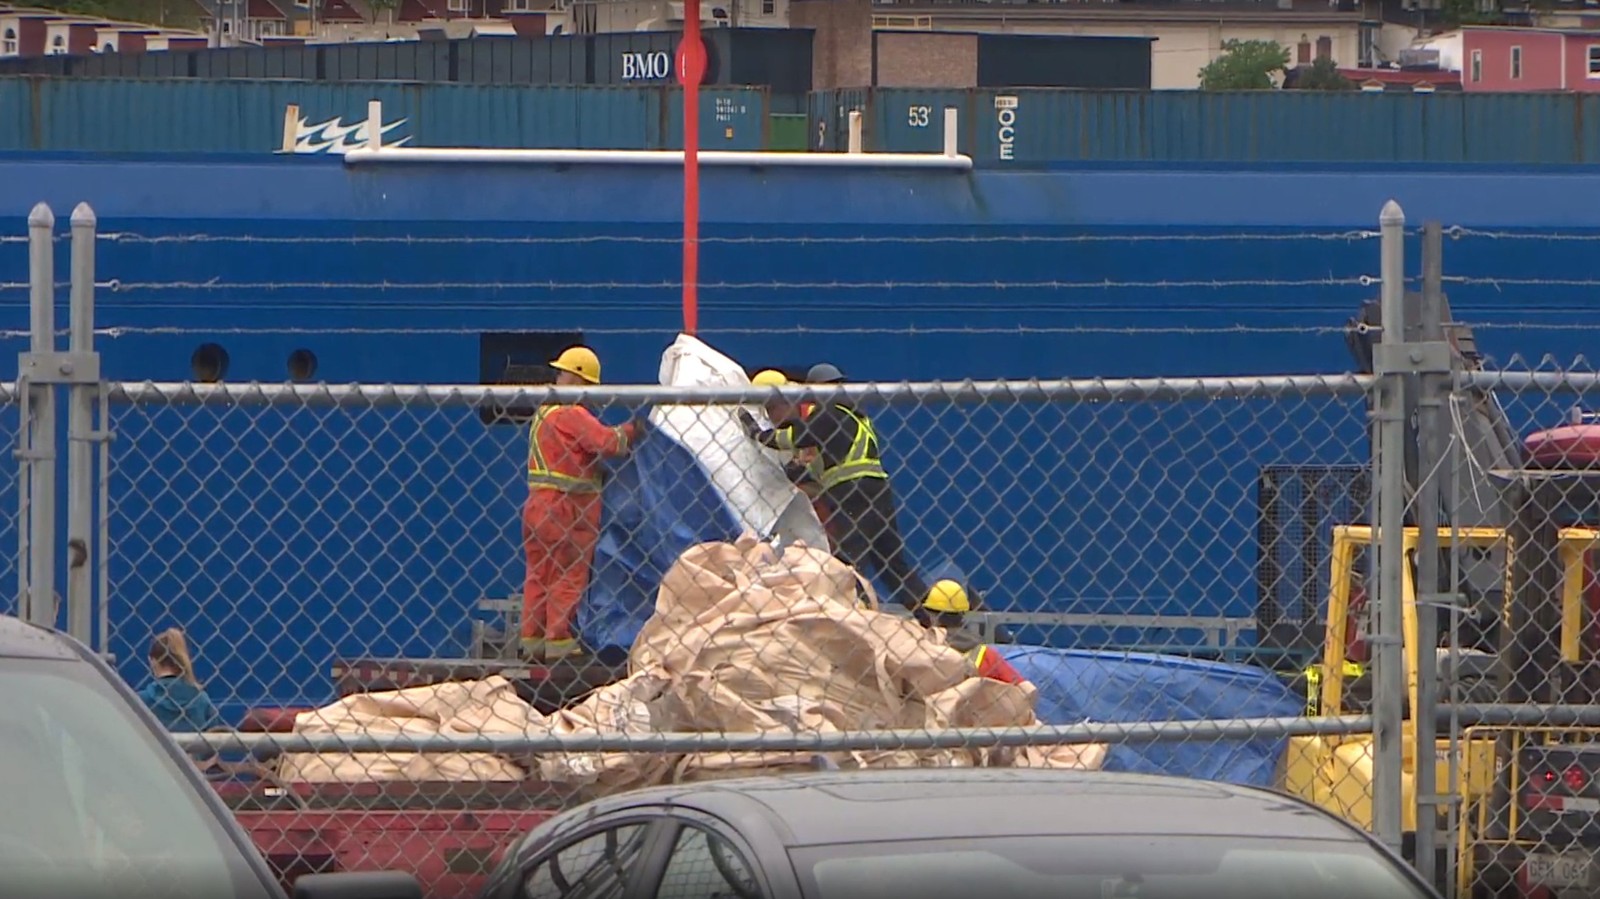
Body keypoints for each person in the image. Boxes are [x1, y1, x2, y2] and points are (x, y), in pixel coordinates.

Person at [740, 361, 928, 610]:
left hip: (854, 494)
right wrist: (799, 472)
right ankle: (932, 616)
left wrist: (756, 432)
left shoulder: (828, 412)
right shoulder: (854, 416)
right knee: (892, 565)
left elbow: (790, 438)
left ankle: (852, 611)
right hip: (876, 491)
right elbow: (832, 459)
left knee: (846, 562)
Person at [522, 345, 644, 662]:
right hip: (568, 511)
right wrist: (635, 429)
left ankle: (531, 640)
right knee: (567, 573)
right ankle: (558, 641)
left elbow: (572, 456)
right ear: (580, 381)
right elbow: (609, 443)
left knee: (538, 573)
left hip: (537, 507)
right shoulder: (572, 415)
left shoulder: (543, 415)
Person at [137, 628, 224, 764]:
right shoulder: (201, 700)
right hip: (192, 775)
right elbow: (213, 745)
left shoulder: (141, 701)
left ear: (153, 661)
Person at [918, 580, 1029, 686]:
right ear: (963, 615)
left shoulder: (920, 650)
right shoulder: (986, 654)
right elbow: (1024, 688)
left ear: (931, 616)